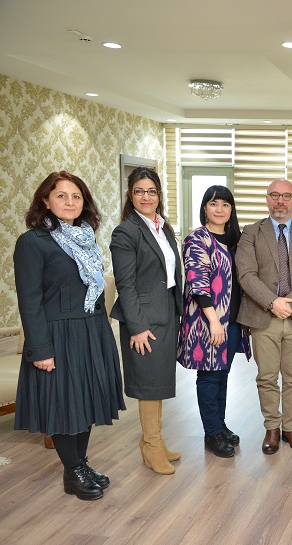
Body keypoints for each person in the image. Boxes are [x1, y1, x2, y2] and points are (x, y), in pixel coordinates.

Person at [14, 171, 125, 500]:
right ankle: (73, 470)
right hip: (57, 336)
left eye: (76, 196)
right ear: (45, 201)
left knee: (86, 400)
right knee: (64, 404)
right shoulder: (32, 242)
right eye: (61, 196)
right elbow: (30, 301)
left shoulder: (86, 238)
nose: (70, 202)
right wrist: (40, 349)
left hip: (92, 330)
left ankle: (80, 465)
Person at [236, 179, 292, 454]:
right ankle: (272, 428)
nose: (280, 201)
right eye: (274, 195)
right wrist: (272, 302)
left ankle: (291, 428)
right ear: (267, 199)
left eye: (286, 196)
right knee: (267, 377)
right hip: (263, 316)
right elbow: (246, 274)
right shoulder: (251, 232)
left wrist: (290, 305)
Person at [111, 167, 183, 476]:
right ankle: (152, 447)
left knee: (160, 380)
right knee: (150, 384)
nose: (146, 197)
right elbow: (125, 285)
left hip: (167, 311)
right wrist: (137, 327)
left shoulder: (163, 227)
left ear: (159, 195)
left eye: (151, 191)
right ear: (130, 195)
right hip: (143, 318)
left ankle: (154, 441)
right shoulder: (126, 232)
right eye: (139, 191)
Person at [177, 186, 251, 458]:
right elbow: (198, 284)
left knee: (222, 373)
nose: (219, 209)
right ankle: (211, 433)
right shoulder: (197, 239)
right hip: (209, 321)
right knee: (209, 376)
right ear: (204, 208)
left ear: (232, 209)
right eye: (213, 203)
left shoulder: (236, 240)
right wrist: (214, 321)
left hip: (233, 321)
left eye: (225, 204)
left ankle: (219, 425)